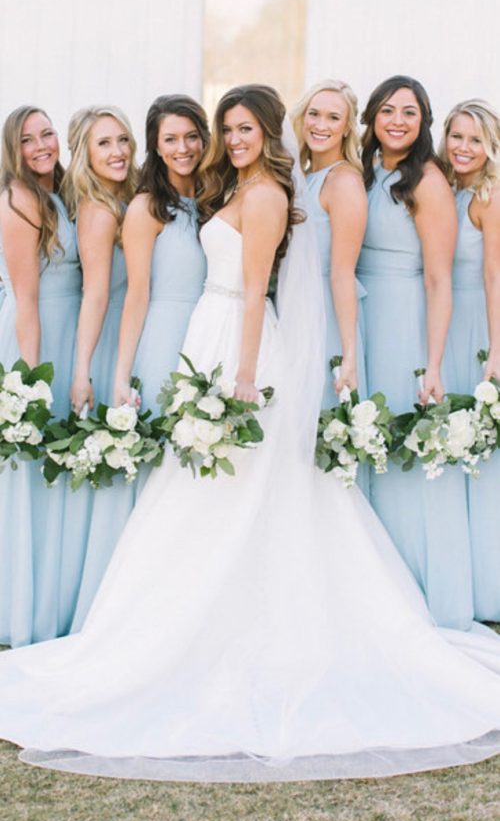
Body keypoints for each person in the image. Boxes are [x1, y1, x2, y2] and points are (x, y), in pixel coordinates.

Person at [1, 85, 500, 784]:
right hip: (208, 336)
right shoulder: (231, 188)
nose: (234, 139)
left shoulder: (265, 195)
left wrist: (241, 379)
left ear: (267, 132)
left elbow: (258, 290)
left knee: (247, 488)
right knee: (202, 496)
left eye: (245, 129)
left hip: (240, 350)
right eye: (228, 129)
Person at [356, 76, 474, 630]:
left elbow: (439, 278)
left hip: (403, 320)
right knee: (363, 442)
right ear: (372, 117)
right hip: (361, 318)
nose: (397, 120)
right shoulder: (361, 171)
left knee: (407, 449)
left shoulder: (427, 180)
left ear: (424, 120)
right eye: (387, 110)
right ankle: (372, 586)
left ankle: (426, 594)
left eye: (409, 112)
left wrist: (434, 363)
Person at [0, 106, 81, 646]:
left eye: (47, 134)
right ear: (14, 150)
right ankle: (19, 607)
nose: (41, 146)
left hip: (69, 330)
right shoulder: (19, 199)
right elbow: (25, 297)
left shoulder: (62, 194)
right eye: (27, 140)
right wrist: (31, 381)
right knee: (30, 471)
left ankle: (53, 597)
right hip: (38, 336)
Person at [60, 106, 138, 633]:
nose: (117, 152)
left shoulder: (128, 197)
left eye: (122, 140)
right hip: (108, 341)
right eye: (104, 144)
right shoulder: (98, 209)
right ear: (84, 155)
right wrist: (83, 369)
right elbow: (95, 294)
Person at [439, 99, 500, 622]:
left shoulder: (488, 196)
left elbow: (494, 277)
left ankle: (488, 588)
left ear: (491, 147)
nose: (463, 148)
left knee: (478, 457)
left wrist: (496, 350)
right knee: (450, 448)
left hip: (476, 324)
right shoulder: (444, 187)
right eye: (456, 136)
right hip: (443, 320)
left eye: (475, 140)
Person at [113, 94, 208, 417]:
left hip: (213, 333)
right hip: (166, 336)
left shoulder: (217, 202)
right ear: (155, 145)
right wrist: (122, 375)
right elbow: (137, 293)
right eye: (170, 139)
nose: (183, 148)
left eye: (191, 136)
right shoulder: (146, 207)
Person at [292, 80, 368, 405]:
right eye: (314, 114)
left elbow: (342, 272)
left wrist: (348, 354)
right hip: (295, 307)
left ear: (347, 127)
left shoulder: (344, 181)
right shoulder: (302, 177)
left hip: (326, 315)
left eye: (333, 117)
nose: (321, 125)